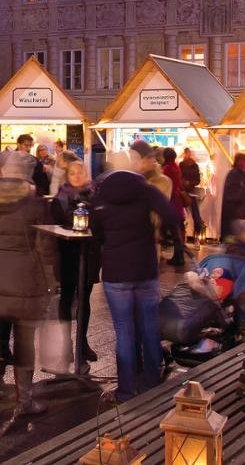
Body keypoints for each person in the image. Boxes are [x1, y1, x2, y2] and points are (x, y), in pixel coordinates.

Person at [0, 151, 56, 421]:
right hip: (25, 277)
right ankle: (24, 400)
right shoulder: (35, 203)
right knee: (24, 338)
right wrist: (52, 278)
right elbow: (46, 245)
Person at [90, 146, 181, 401]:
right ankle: (152, 381)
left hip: (116, 272)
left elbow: (95, 232)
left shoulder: (101, 196)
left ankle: (127, 390)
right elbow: (172, 215)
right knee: (149, 326)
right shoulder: (146, 190)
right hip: (144, 268)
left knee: (124, 332)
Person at [50, 159, 98, 371]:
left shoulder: (97, 195)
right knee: (67, 297)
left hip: (89, 254)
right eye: (73, 173)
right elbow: (55, 223)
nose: (78, 176)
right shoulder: (60, 198)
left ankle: (82, 341)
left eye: (81, 172)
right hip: (68, 254)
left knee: (85, 298)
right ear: (67, 175)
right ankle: (66, 344)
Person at [161, 147, 187, 264]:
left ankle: (178, 257)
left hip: (170, 201)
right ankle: (179, 256)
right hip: (177, 201)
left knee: (172, 230)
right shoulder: (176, 167)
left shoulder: (167, 168)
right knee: (176, 230)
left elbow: (165, 186)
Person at [220, 153, 245, 242]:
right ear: (239, 161)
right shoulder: (234, 174)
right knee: (233, 239)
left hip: (239, 213)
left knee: (237, 239)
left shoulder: (243, 174)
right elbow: (234, 194)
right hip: (234, 212)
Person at [179, 148, 205, 240]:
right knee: (183, 214)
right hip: (182, 192)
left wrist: (189, 183)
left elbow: (197, 180)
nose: (187, 155)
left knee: (195, 214)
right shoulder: (181, 164)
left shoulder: (194, 165)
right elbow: (179, 177)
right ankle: (185, 234)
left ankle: (196, 234)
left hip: (189, 191)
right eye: (186, 153)